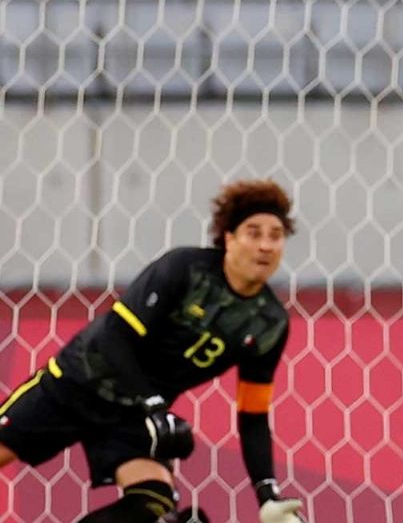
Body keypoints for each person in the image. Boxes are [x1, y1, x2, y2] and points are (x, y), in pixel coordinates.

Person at [0, 179, 305, 523]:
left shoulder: (269, 323)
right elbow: (114, 336)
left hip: (134, 416)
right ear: (229, 238)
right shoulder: (184, 269)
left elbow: (252, 417)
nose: (265, 245)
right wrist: (155, 406)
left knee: (154, 504)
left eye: (275, 235)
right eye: (254, 232)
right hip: (80, 382)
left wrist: (268, 497)